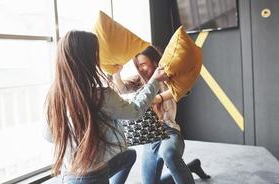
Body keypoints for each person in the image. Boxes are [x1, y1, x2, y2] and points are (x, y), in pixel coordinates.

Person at [44, 31, 169, 184]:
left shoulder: (53, 94)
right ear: (88, 59)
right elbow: (135, 111)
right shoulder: (100, 95)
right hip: (94, 176)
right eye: (96, 53)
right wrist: (155, 81)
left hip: (68, 173)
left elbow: (49, 136)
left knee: (129, 156)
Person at [112, 46, 210, 184]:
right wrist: (116, 73)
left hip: (168, 130)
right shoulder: (139, 80)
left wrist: (159, 98)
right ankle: (191, 167)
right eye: (137, 66)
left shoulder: (168, 77)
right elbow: (121, 89)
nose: (140, 69)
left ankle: (183, 170)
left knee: (168, 153)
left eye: (143, 64)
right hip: (149, 137)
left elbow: (183, 89)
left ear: (154, 61)